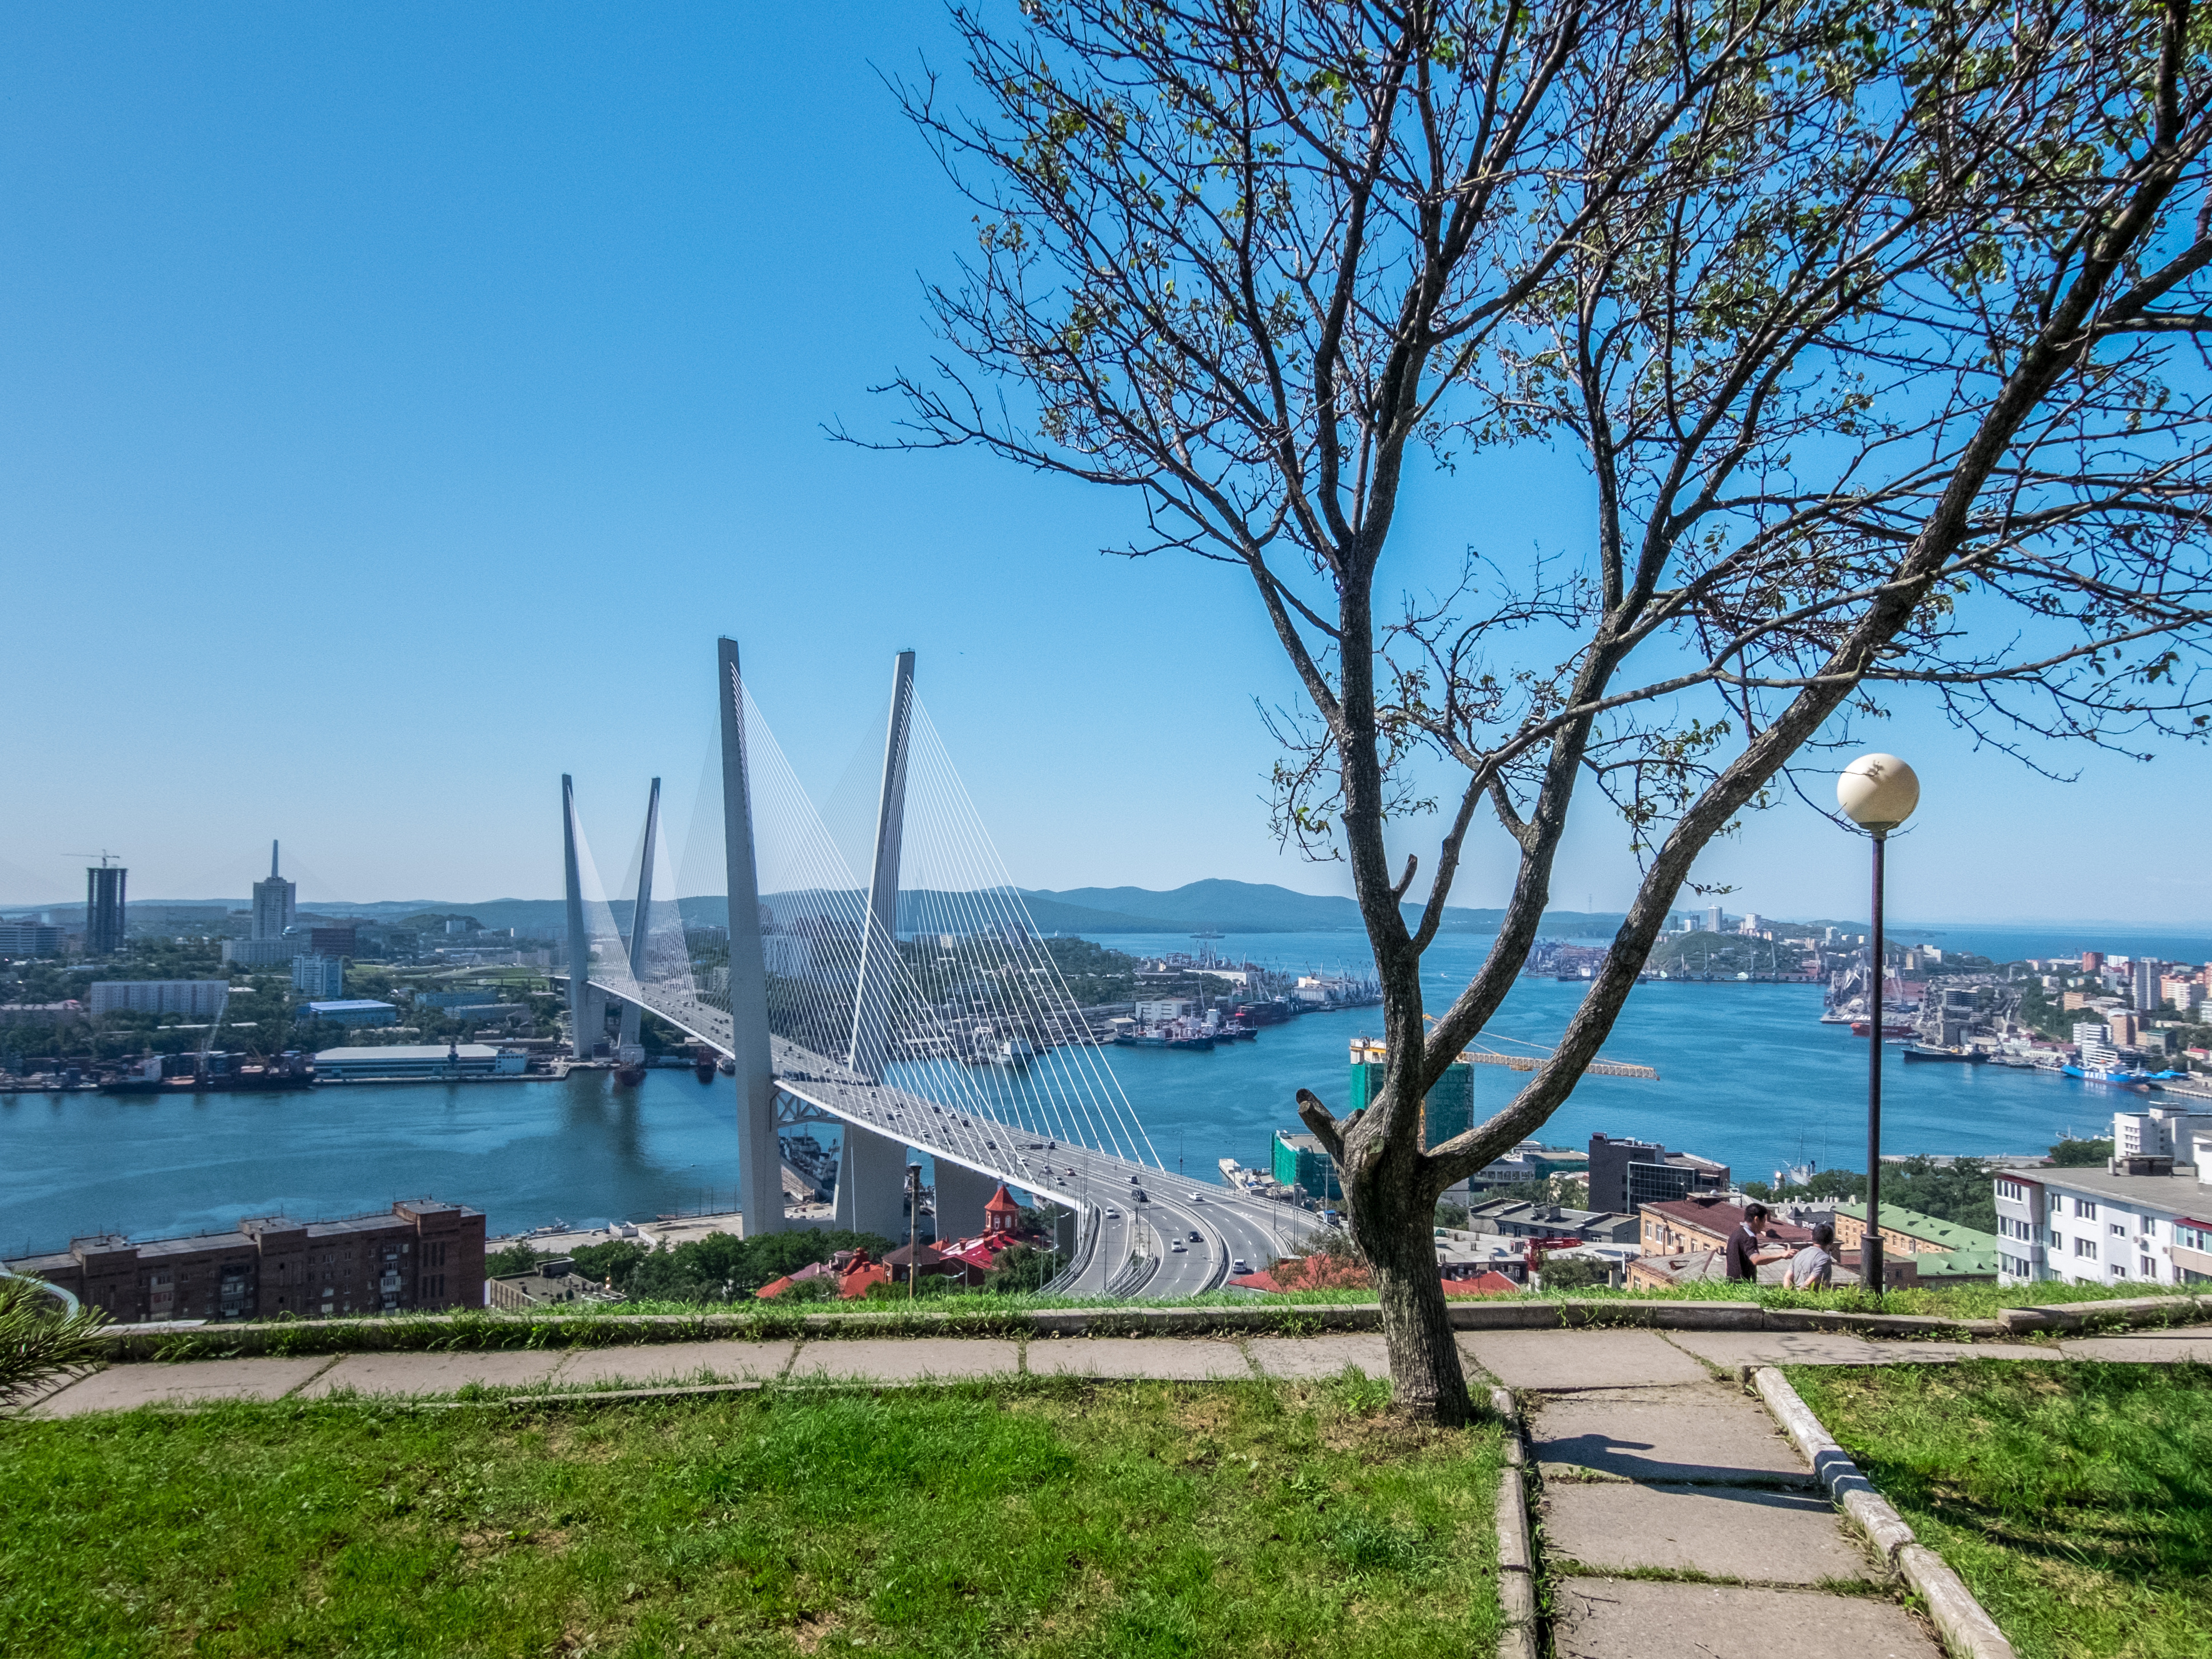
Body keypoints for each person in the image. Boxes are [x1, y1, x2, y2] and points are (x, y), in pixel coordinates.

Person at [1725, 1201, 1786, 1281]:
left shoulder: (1735, 1234)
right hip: (1744, 1288)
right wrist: (1782, 1255)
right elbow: (1755, 1260)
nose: (1764, 1226)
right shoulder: (1749, 1238)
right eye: (1763, 1221)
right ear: (1756, 1219)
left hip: (1731, 1286)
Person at [1784, 1223, 1837, 1290]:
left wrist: (1789, 1296)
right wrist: (1801, 1295)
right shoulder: (1825, 1259)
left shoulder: (1800, 1254)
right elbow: (1810, 1282)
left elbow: (1787, 1277)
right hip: (1812, 1298)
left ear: (1812, 1237)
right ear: (1831, 1242)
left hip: (1795, 1296)